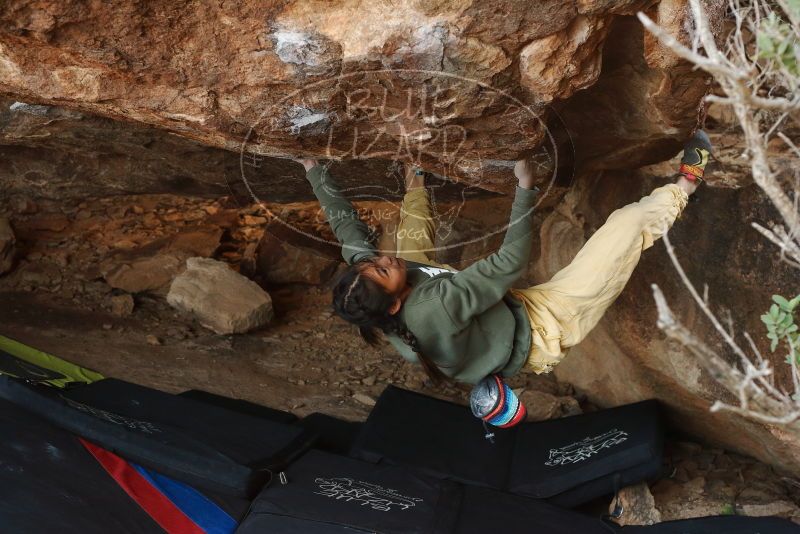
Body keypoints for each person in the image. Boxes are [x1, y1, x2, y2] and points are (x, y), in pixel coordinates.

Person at [294, 131, 712, 385]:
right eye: (383, 269)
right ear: (397, 302)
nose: (383, 259)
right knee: (627, 224)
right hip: (541, 328)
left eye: (373, 262)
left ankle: (415, 175)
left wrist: (313, 169)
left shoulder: (370, 294)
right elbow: (509, 261)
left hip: (488, 318)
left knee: (410, 234)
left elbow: (346, 229)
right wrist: (524, 189)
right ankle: (686, 183)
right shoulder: (433, 306)